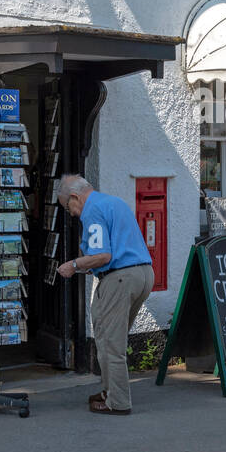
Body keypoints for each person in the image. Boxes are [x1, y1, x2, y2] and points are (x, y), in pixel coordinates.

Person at [57, 174, 154, 415]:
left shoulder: (92, 211)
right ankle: (110, 391)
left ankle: (118, 402)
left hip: (119, 279)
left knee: (111, 344)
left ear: (74, 197)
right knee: (111, 339)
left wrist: (74, 265)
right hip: (143, 274)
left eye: (68, 207)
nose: (71, 213)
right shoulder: (114, 202)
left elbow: (104, 256)